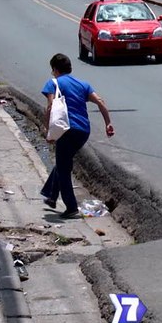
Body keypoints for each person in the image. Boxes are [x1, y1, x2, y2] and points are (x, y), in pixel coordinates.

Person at [40, 53, 114, 218]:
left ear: (55, 70)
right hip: (83, 131)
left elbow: (51, 106)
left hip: (65, 129)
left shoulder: (53, 83)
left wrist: (48, 131)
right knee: (63, 161)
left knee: (64, 168)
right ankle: (51, 195)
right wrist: (108, 123)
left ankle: (71, 207)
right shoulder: (83, 84)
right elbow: (100, 101)